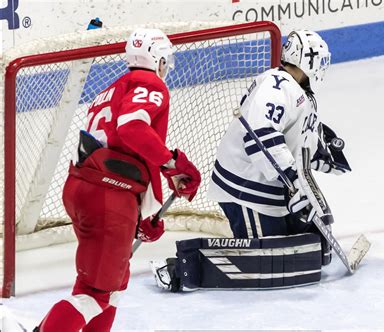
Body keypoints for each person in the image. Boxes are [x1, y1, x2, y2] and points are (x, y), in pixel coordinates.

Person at [152, 30, 351, 292]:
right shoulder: (276, 86)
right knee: (271, 261)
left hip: (272, 185)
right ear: (306, 60)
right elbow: (261, 134)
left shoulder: (299, 92)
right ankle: (183, 267)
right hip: (247, 188)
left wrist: (323, 156)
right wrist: (292, 184)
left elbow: (296, 141)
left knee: (316, 248)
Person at [36, 28, 201, 331]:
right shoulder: (149, 82)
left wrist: (139, 215)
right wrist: (172, 164)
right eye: (165, 60)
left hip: (88, 189)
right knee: (95, 294)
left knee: (108, 287)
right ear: (157, 59)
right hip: (107, 198)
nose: (166, 67)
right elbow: (131, 128)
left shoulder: (112, 89)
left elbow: (114, 150)